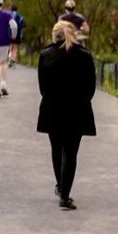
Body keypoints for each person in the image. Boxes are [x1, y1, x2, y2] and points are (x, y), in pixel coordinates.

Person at [37, 20, 97, 209]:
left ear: (54, 35)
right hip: (77, 110)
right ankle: (65, 194)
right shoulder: (85, 57)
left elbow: (42, 86)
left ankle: (60, 185)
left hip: (52, 108)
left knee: (56, 149)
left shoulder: (46, 55)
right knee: (71, 152)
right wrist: (82, 100)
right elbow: (91, 87)